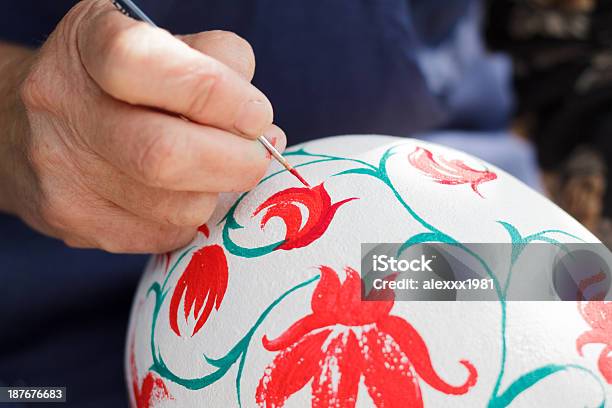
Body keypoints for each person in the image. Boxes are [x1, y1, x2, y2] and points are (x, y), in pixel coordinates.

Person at [0, 0, 516, 405]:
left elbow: (569, 287)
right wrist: (10, 116)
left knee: (566, 294)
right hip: (49, 343)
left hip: (452, 189)